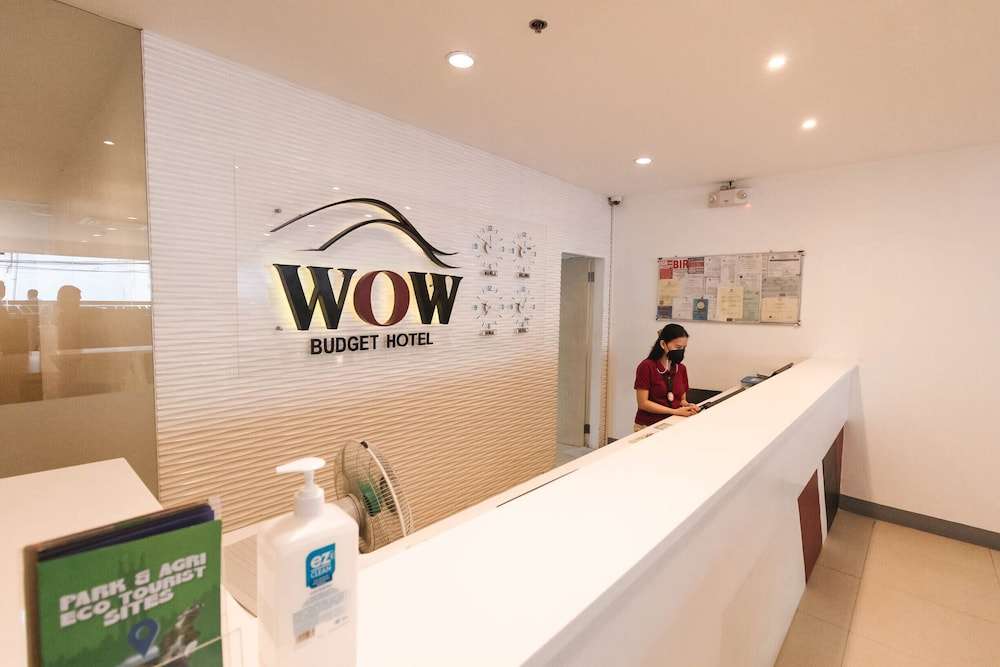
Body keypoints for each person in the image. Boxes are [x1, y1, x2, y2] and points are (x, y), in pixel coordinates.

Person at [633, 323, 699, 431]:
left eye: (684, 348)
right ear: (663, 344)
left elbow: (681, 400)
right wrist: (674, 411)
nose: (681, 351)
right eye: (678, 347)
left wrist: (688, 406)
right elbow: (643, 403)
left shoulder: (681, 368)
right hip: (648, 425)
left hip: (673, 423)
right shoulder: (646, 366)